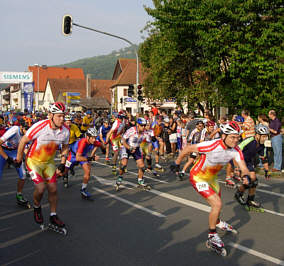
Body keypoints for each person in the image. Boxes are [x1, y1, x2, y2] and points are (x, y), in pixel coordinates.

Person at [171, 121, 250, 253]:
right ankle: (212, 236)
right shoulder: (211, 145)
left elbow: (243, 167)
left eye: (237, 137)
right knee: (217, 204)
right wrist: (177, 162)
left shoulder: (236, 150)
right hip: (198, 177)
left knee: (217, 205)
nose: (236, 140)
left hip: (212, 179)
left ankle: (217, 222)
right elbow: (189, 149)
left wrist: (246, 176)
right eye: (232, 137)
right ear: (223, 136)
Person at [16, 102, 69, 233]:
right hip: (33, 161)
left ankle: (53, 215)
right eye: (59, 116)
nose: (62, 119)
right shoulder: (40, 126)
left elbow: (65, 147)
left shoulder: (65, 131)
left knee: (53, 188)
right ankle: (37, 206)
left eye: (64, 116)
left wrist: (62, 162)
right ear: (50, 116)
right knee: (40, 188)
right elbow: (23, 140)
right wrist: (18, 158)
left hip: (48, 163)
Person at [234, 124, 270, 211]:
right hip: (240, 160)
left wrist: (266, 171)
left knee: (254, 181)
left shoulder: (262, 146)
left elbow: (264, 159)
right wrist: (237, 168)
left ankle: (250, 201)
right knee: (248, 181)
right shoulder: (250, 140)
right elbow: (236, 151)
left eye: (266, 136)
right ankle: (239, 194)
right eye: (263, 136)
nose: (265, 138)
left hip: (248, 162)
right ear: (257, 135)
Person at [115, 118, 151, 191]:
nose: (143, 127)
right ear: (137, 125)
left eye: (144, 125)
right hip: (126, 147)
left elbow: (149, 143)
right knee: (124, 165)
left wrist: (148, 153)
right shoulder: (131, 130)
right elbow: (123, 140)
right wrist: (129, 148)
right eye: (141, 125)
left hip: (136, 148)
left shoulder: (146, 133)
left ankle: (140, 180)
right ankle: (120, 177)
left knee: (142, 166)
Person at [0, 120, 30, 207]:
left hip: (15, 152)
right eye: (26, 129)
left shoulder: (28, 135)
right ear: (21, 127)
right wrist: (6, 158)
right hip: (3, 150)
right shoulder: (14, 130)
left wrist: (30, 164)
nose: (27, 132)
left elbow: (26, 150)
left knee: (23, 174)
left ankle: (19, 195)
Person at [64, 128, 100, 198]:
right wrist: (92, 158)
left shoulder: (94, 141)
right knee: (63, 172)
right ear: (87, 137)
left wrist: (100, 149)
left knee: (88, 171)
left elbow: (101, 144)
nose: (94, 140)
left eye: (95, 138)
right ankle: (65, 176)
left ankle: (83, 190)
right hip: (73, 156)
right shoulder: (83, 142)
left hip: (82, 156)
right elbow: (78, 158)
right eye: (92, 138)